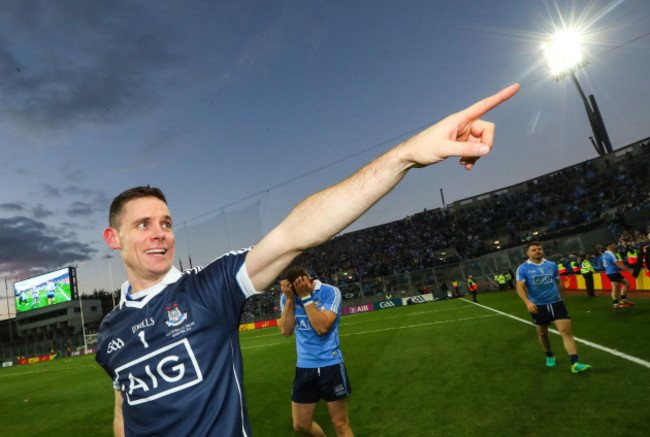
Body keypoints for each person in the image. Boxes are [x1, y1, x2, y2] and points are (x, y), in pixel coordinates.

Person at [94, 83, 520, 436]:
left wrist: (405, 155)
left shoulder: (208, 289)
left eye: (166, 223)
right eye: (143, 225)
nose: (159, 234)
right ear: (113, 238)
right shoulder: (110, 330)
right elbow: (122, 409)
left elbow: (297, 231)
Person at [278, 267, 352, 437]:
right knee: (301, 425)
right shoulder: (288, 297)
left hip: (330, 365)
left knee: (340, 425)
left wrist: (305, 297)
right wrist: (290, 300)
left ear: (309, 280)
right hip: (304, 367)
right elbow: (286, 331)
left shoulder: (330, 292)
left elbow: (322, 327)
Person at [515, 242, 591, 374]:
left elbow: (559, 283)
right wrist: (527, 302)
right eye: (534, 250)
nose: (538, 251)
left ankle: (575, 363)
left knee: (566, 331)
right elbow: (519, 287)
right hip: (538, 306)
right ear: (528, 253)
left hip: (556, 303)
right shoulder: (523, 269)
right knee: (542, 333)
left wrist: (563, 299)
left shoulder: (551, 265)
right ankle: (549, 354)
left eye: (539, 249)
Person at [602, 241, 635, 308]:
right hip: (613, 273)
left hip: (613, 272)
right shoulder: (611, 254)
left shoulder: (605, 254)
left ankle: (623, 300)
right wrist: (629, 270)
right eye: (614, 245)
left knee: (626, 284)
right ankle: (616, 304)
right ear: (610, 246)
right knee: (615, 288)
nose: (616, 246)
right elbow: (619, 264)